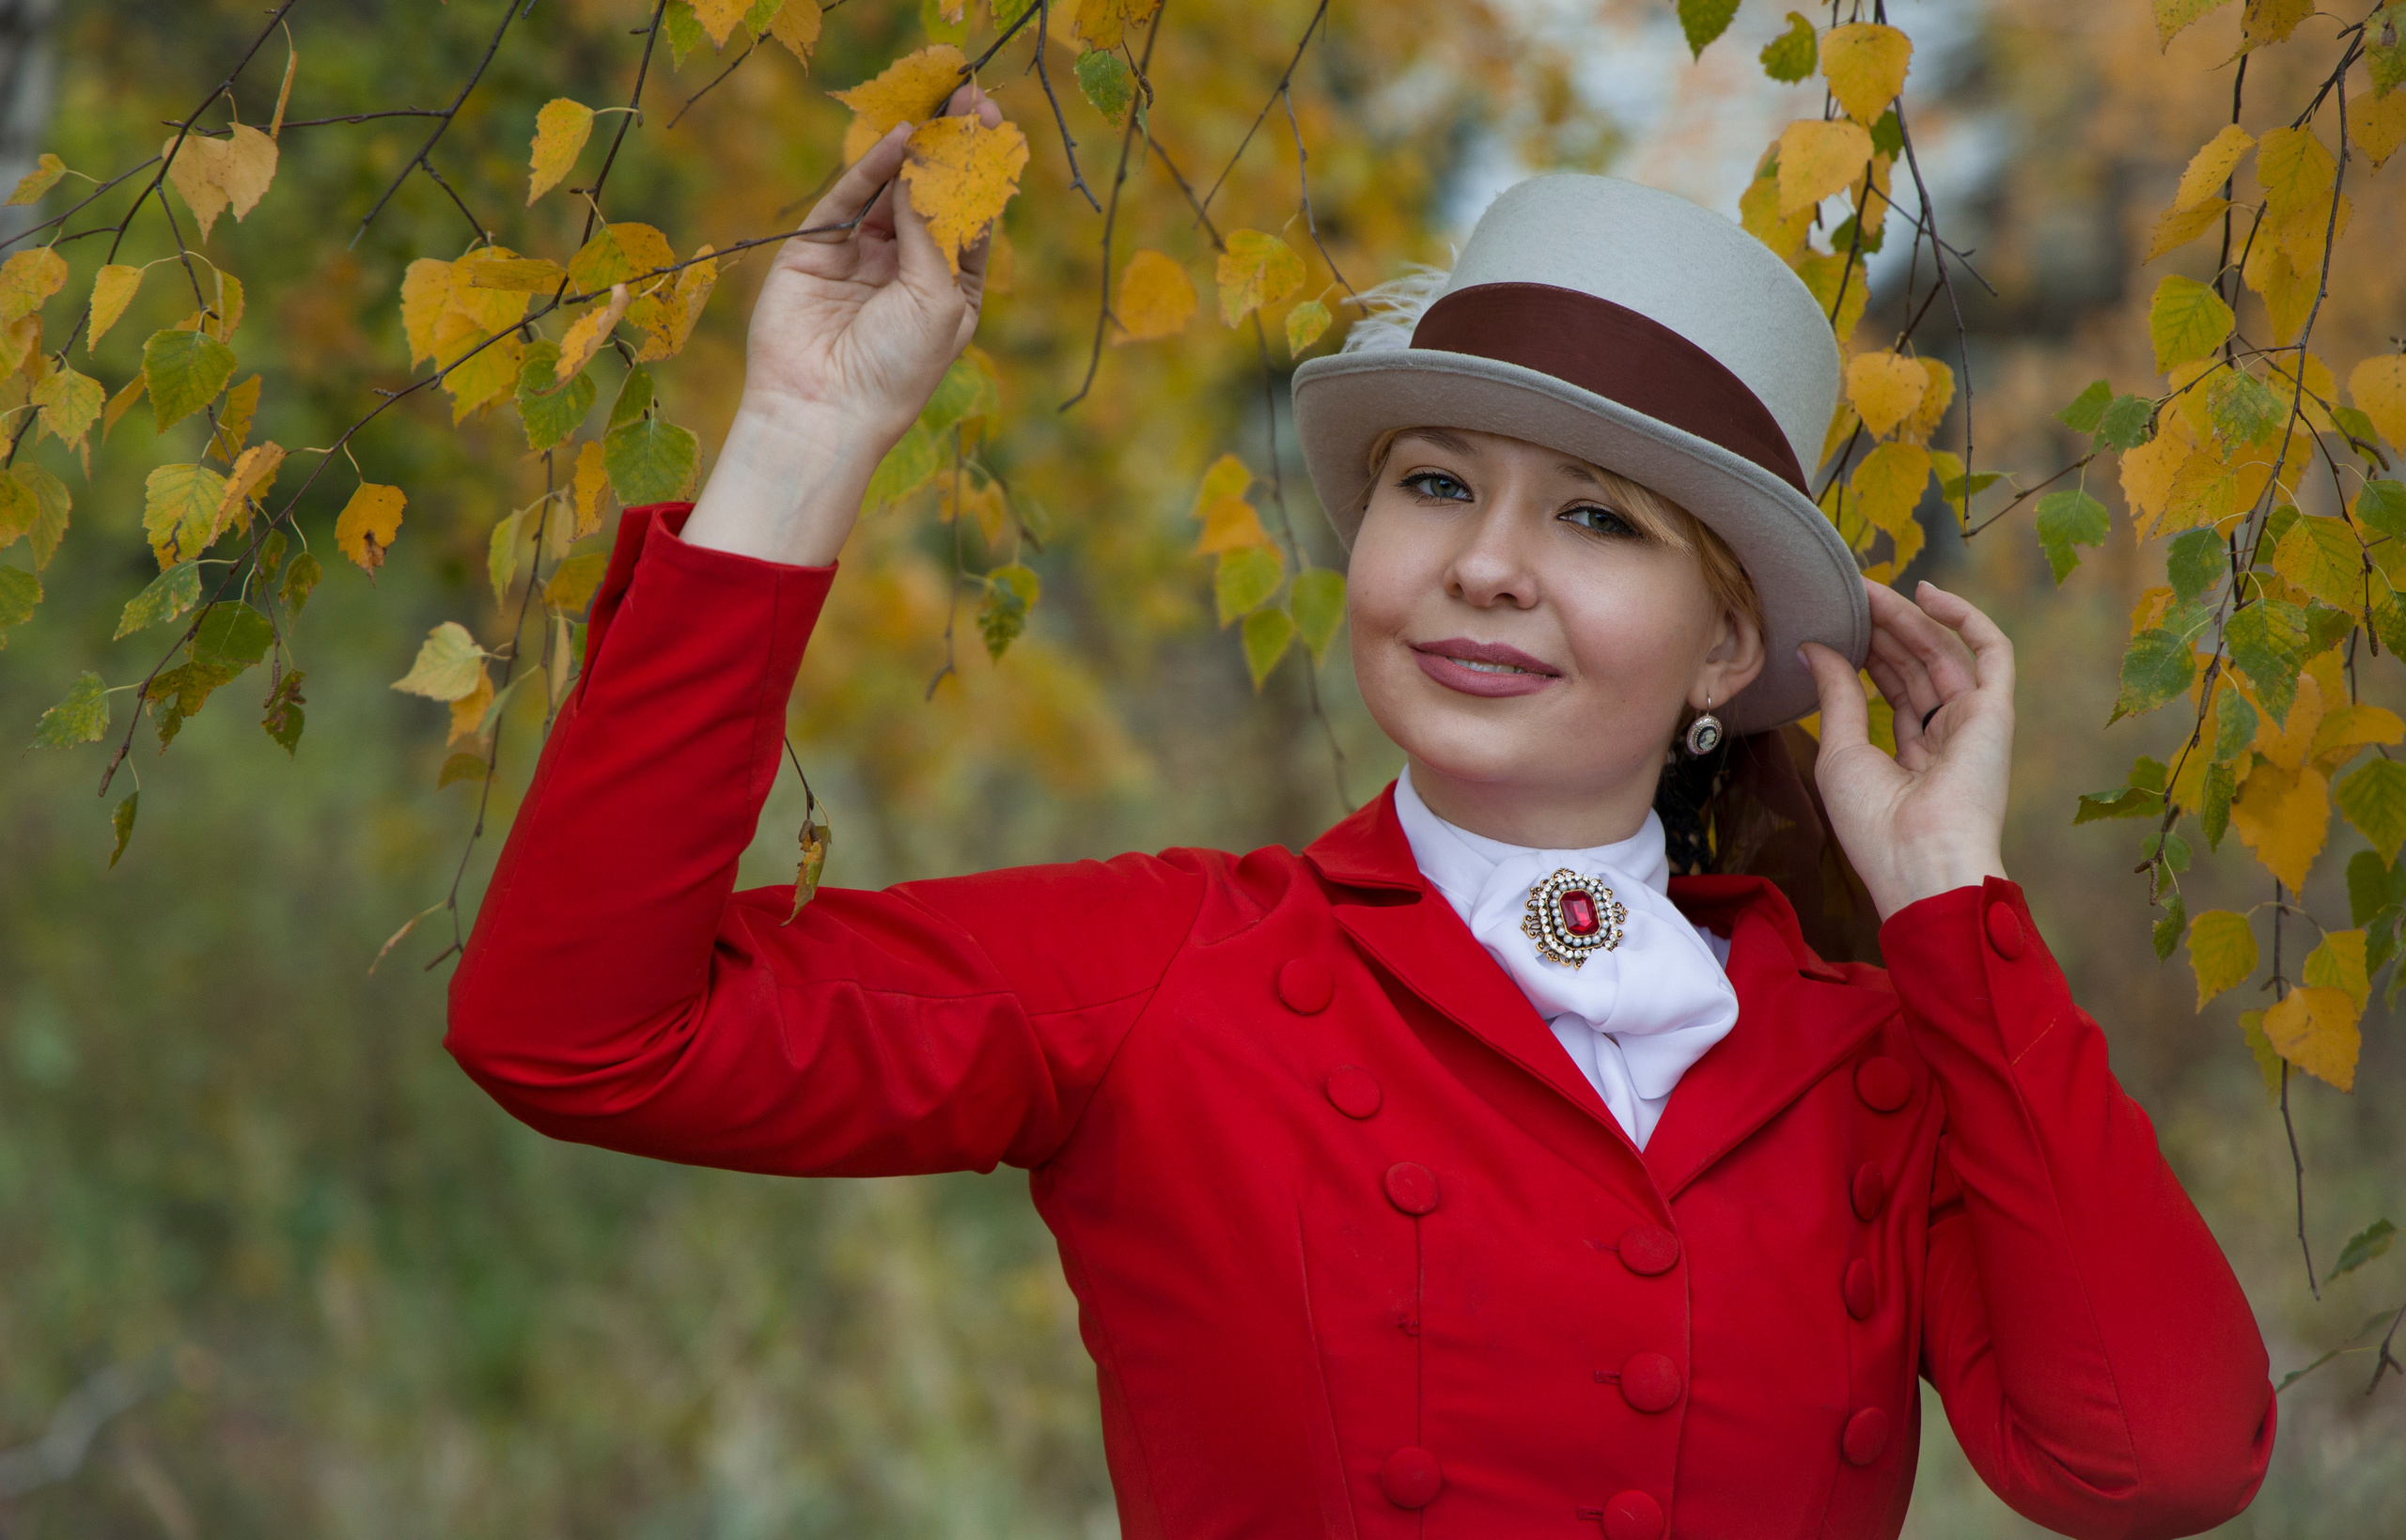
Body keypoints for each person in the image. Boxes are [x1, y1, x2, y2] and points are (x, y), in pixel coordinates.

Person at [445, 85, 2275, 1539]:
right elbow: (581, 1033)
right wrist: (801, 431)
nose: (1481, 564)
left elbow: (2159, 1460)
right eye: (1431, 482)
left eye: (1592, 517)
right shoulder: (1170, 970)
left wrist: (1948, 898)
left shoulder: (1870, 1053)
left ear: (1729, 645)